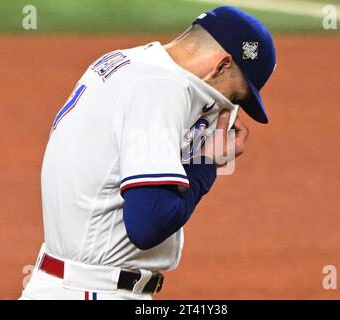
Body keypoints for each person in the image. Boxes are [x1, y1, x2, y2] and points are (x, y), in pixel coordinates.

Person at [20, 6, 276, 300]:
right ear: (221, 65)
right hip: (93, 290)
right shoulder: (162, 88)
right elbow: (148, 224)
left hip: (68, 283)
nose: (228, 109)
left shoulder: (127, 62)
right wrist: (206, 163)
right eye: (234, 96)